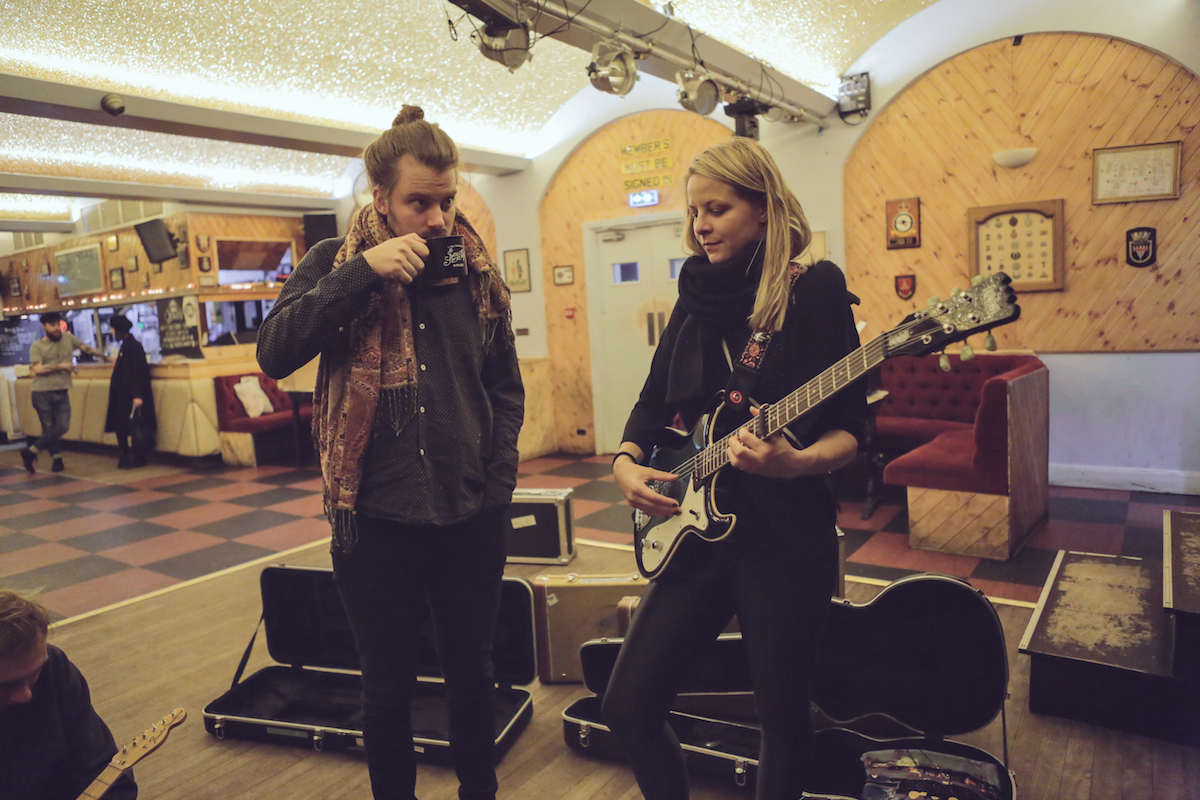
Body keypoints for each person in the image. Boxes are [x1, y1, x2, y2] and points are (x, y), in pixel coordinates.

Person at [257, 105, 524, 800]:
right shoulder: (335, 260)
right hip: (373, 520)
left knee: (474, 675)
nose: (437, 218)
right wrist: (363, 274)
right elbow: (274, 352)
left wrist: (497, 488)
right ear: (381, 198)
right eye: (418, 203)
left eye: (446, 201)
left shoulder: (474, 270)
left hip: (470, 512)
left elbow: (505, 388)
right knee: (386, 688)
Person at [605, 137, 868, 800]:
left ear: (764, 208)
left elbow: (851, 433)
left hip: (786, 538)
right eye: (694, 212)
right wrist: (626, 462)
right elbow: (652, 401)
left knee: (782, 719)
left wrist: (797, 463)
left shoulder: (815, 289)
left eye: (717, 209)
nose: (701, 225)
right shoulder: (694, 294)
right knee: (628, 706)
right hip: (697, 534)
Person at [0, 590, 137, 800]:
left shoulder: (54, 668)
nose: (25, 695)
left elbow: (101, 767)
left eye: (34, 674)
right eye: (7, 685)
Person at [21, 311, 111, 473]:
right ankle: (57, 460)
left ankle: (31, 451)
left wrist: (106, 358)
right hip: (42, 392)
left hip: (62, 390)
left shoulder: (68, 339)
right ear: (44, 327)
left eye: (58, 324)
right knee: (49, 428)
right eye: (52, 325)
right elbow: (38, 369)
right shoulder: (37, 346)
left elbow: (86, 348)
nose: (56, 328)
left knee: (62, 426)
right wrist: (61, 366)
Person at [104, 314, 156, 469]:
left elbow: (140, 372)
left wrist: (137, 395)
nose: (113, 332)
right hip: (126, 395)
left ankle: (132, 455)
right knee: (125, 425)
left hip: (128, 395)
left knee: (126, 425)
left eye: (114, 329)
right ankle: (131, 455)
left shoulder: (131, 346)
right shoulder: (129, 345)